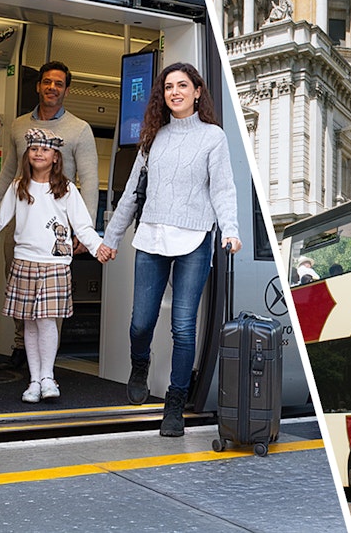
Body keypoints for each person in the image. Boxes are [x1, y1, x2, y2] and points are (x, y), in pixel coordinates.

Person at [97, 62, 242, 438]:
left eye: (182, 85)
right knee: (141, 322)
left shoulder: (213, 137)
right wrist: (110, 239)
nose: (174, 92)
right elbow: (132, 193)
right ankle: (140, 364)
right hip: (151, 236)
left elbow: (222, 189)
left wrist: (230, 230)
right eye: (168, 87)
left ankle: (175, 404)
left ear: (197, 92)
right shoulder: (153, 137)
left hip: (195, 239)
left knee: (183, 327)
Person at [0, 61, 99, 371]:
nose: (52, 88)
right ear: (38, 86)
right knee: (19, 286)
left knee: (50, 298)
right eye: (47, 82)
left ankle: (46, 365)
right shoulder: (18, 126)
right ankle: (20, 346)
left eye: (58, 83)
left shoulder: (80, 130)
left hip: (56, 229)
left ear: (66, 90)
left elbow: (89, 182)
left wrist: (84, 231)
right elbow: (8, 173)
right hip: (21, 223)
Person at [0, 128, 102, 404]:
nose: (38, 153)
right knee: (29, 324)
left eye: (45, 149)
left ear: (56, 157)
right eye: (33, 148)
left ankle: (47, 376)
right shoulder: (17, 187)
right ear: (27, 154)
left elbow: (82, 226)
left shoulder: (66, 190)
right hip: (24, 262)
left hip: (54, 264)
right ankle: (35, 380)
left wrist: (97, 248)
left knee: (46, 322)